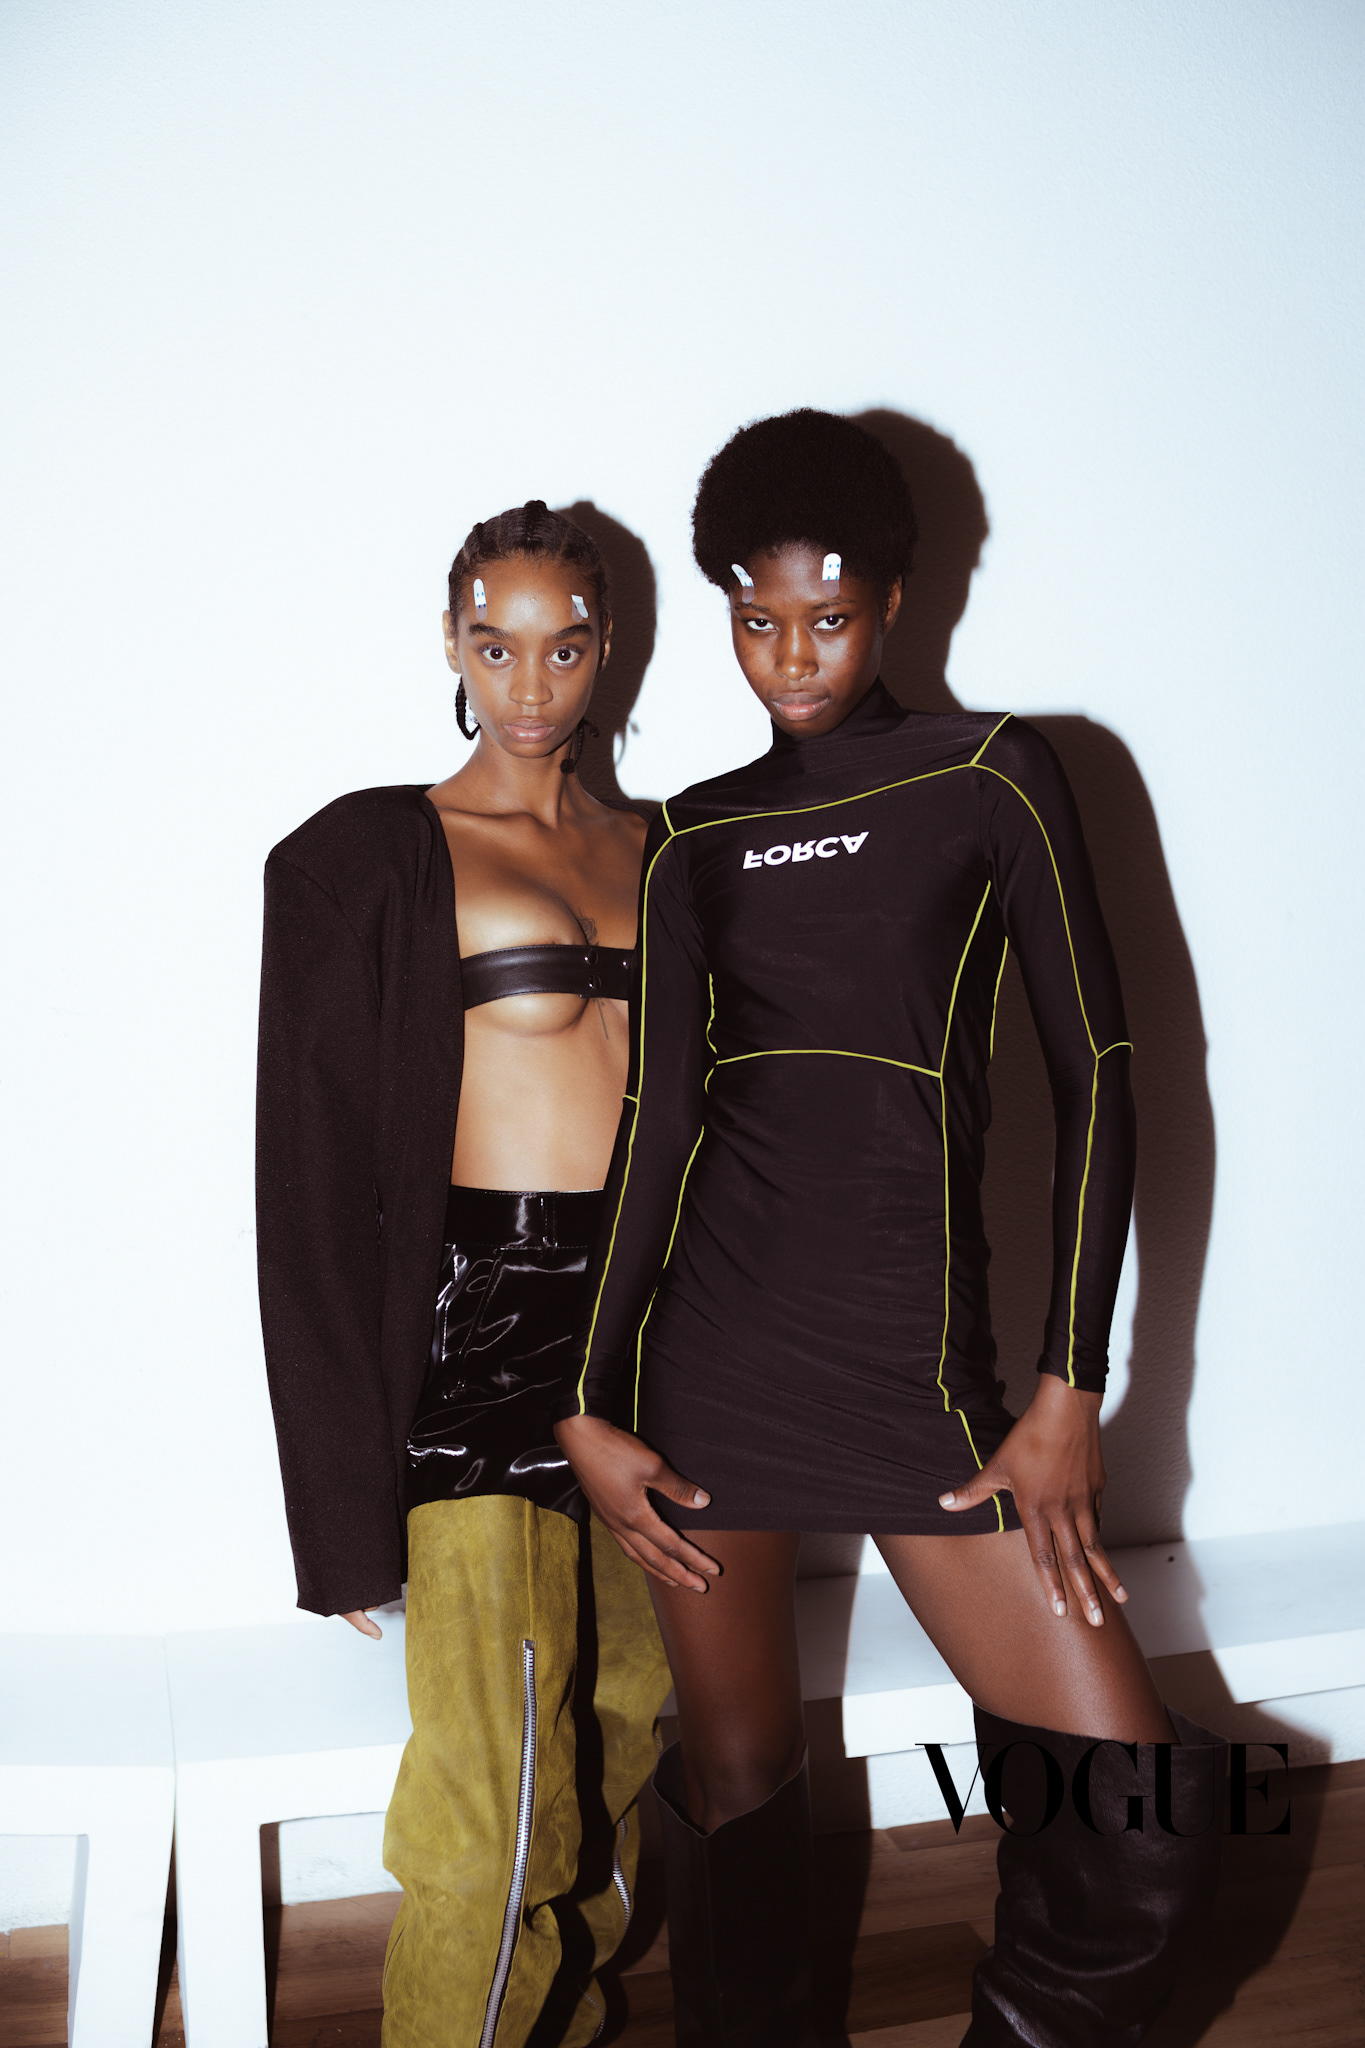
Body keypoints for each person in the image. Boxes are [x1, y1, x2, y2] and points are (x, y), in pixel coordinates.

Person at [553, 415, 1225, 2047]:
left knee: (1129, 1797)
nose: (790, 657)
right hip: (709, 1372)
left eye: (830, 617)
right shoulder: (694, 835)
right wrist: (586, 1399)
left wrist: (1069, 1389)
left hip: (915, 1375)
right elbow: (655, 1128)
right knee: (736, 1778)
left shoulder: (991, 774)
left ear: (897, 602)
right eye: (755, 618)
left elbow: (1102, 1075)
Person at [256, 500, 671, 2048]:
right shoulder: (366, 856)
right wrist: (336, 1504)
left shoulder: (665, 851)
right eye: (495, 646)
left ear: (606, 648)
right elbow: (305, 1182)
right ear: (450, 642)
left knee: (619, 1742)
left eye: (563, 647)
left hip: (647, 1341)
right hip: (473, 1344)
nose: (529, 683)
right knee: (489, 1813)